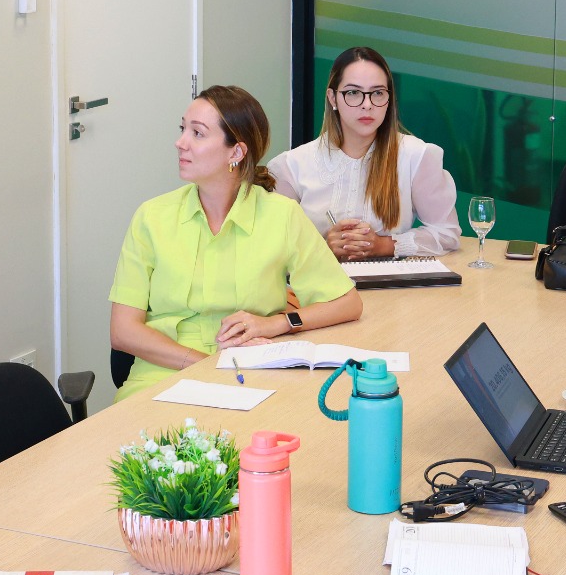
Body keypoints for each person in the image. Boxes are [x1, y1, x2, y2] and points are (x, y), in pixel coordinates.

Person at [109, 85, 363, 401]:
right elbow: (123, 331)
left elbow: (347, 303)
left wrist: (278, 324)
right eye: (182, 129)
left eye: (197, 133)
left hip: (254, 371)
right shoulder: (151, 217)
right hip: (160, 376)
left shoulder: (282, 215)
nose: (181, 142)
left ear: (236, 153)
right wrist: (205, 365)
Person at [271, 46, 460, 260]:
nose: (367, 105)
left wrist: (383, 245)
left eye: (378, 93)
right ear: (332, 98)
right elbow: (273, 246)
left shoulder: (416, 156)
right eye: (353, 93)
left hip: (392, 280)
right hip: (319, 281)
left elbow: (446, 233)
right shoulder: (290, 166)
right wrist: (323, 246)